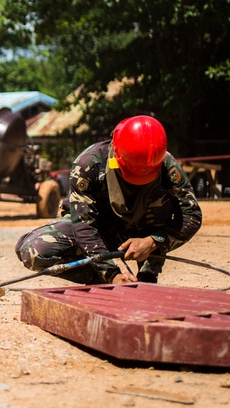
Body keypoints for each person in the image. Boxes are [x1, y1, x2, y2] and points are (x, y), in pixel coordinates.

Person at [15, 115, 203, 284]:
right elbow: (83, 225)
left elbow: (191, 215)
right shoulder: (89, 165)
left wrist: (153, 241)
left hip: (146, 232)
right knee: (33, 251)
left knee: (162, 203)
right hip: (100, 232)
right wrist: (111, 275)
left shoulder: (166, 164)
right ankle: (103, 281)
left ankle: (147, 276)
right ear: (116, 154)